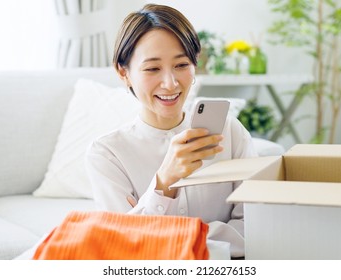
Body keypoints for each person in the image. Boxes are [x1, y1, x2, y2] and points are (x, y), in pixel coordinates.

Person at [85, 3, 257, 258]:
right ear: (124, 73)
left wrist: (164, 236)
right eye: (153, 68)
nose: (170, 83)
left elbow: (254, 230)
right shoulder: (107, 154)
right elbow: (124, 245)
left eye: (181, 65)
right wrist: (163, 181)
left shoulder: (229, 132)